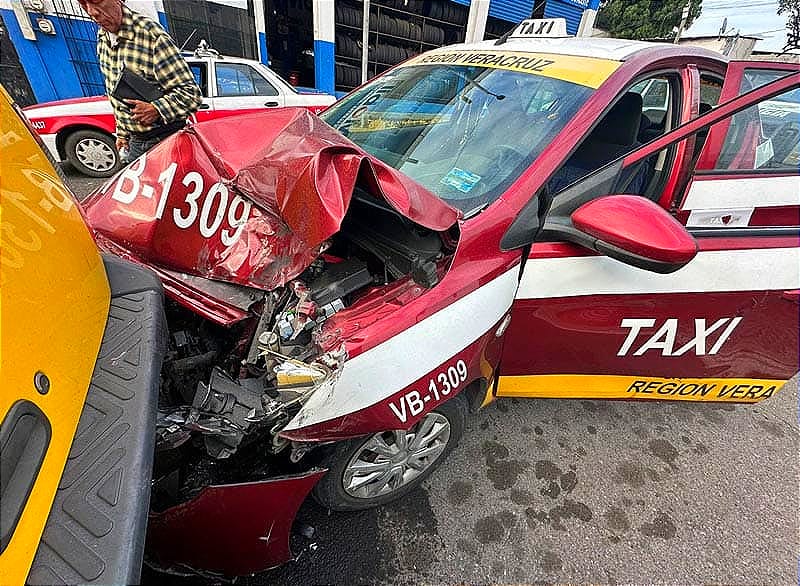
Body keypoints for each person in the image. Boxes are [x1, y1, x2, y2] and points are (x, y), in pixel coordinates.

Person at [78, 0, 202, 161]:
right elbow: (116, 93)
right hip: (136, 142)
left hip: (168, 138)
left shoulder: (151, 35)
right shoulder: (102, 38)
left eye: (97, 1)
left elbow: (191, 95)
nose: (92, 12)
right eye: (83, 4)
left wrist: (156, 109)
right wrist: (122, 133)